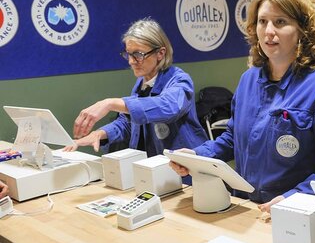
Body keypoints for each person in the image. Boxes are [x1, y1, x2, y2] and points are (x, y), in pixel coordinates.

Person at [170, 0, 315, 213]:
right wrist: (197, 155)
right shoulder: (248, 80)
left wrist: (295, 197)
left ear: (302, 30)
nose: (268, 31)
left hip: (296, 214)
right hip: (245, 208)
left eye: (280, 22)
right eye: (262, 21)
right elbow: (233, 137)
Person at [65, 18, 208, 156]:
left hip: (187, 170)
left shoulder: (179, 80)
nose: (132, 61)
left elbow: (168, 107)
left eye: (138, 54)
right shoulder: (141, 84)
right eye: (128, 54)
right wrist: (99, 134)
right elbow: (129, 122)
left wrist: (110, 103)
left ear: (160, 53)